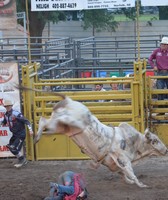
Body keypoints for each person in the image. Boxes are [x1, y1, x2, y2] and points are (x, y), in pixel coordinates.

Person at [0, 99, 33, 168]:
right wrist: (2, 123)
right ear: (5, 107)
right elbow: (4, 122)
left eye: (8, 106)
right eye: (6, 106)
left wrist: (30, 130)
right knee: (10, 146)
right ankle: (21, 159)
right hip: (15, 134)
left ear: (11, 106)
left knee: (13, 147)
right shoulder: (6, 115)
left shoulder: (16, 113)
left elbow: (26, 121)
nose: (7, 107)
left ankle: (22, 160)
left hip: (21, 134)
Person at [148, 36, 168, 102]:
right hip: (160, 72)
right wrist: (153, 66)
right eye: (162, 44)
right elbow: (150, 59)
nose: (163, 45)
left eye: (164, 44)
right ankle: (161, 108)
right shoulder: (157, 51)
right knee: (160, 89)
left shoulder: (157, 51)